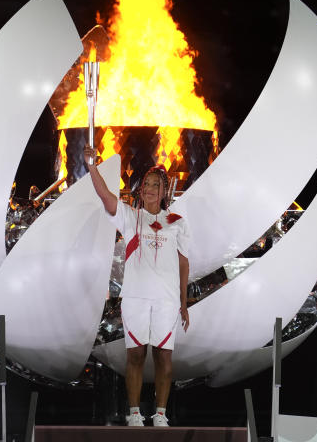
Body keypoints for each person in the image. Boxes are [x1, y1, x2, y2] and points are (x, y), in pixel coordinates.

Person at [83, 145, 191, 427]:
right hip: (136, 298)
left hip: (167, 301)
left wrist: (183, 302)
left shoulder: (177, 222)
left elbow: (183, 264)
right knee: (136, 355)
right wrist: (92, 167)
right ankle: (134, 414)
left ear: (165, 191)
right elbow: (106, 197)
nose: (150, 188)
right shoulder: (131, 217)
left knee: (164, 358)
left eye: (157, 185)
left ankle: (160, 414)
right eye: (147, 184)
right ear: (141, 190)